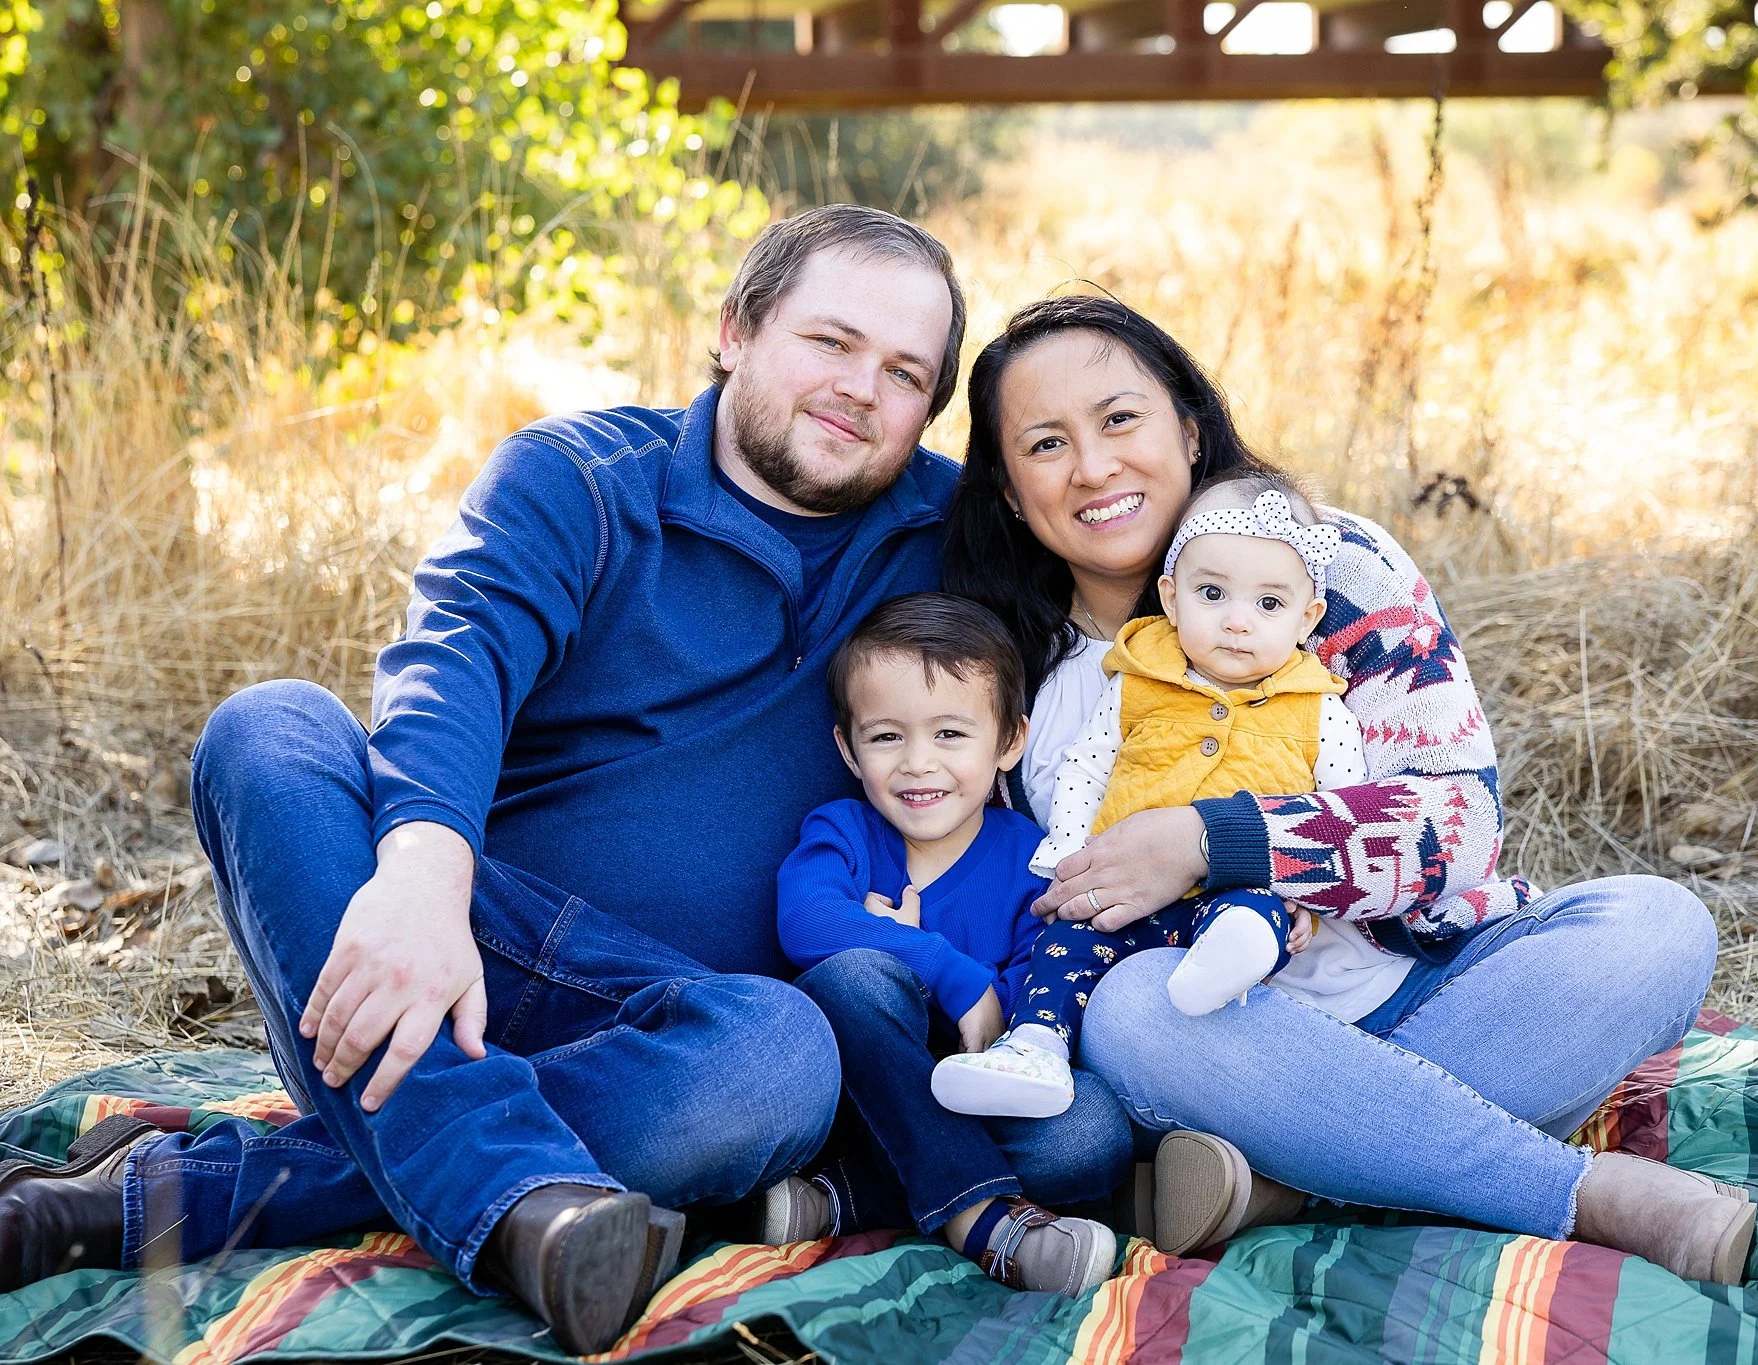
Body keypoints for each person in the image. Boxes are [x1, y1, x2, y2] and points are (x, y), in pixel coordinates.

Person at [0, 205, 1027, 1352]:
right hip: (450, 963)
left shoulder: (951, 540)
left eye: (903, 373)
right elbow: (455, 662)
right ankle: (521, 1198)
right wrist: (422, 881)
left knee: (788, 1059)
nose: (858, 390)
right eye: (830, 343)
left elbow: (1171, 572)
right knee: (270, 728)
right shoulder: (581, 480)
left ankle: (163, 1199)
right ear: (736, 329)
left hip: (693, 1034)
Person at [940, 294, 1756, 1285]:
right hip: (1212, 1038)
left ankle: (1297, 1175)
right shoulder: (1012, 668)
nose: (1094, 466)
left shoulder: (1336, 568)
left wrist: (1211, 841)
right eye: (1044, 443)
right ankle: (1574, 1193)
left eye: (1120, 419)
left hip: (1423, 984)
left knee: (1659, 925)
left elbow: (1458, 827)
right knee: (1128, 1009)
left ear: (1187, 430)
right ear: (1008, 489)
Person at [931, 472, 1361, 1119]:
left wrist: (1308, 900)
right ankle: (1036, 1047)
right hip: (1120, 892)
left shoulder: (1321, 710)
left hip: (1237, 889)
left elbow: (1342, 816)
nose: (1238, 622)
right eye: (1212, 593)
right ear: (1171, 595)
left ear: (1308, 618)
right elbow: (1087, 765)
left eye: (1269, 605)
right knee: (1063, 945)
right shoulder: (1138, 682)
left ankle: (1223, 965)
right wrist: (1069, 853)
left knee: (1253, 915)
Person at [767, 593, 1123, 1297]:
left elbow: (1040, 995)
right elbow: (806, 921)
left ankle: (844, 1197)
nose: (918, 763)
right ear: (848, 746)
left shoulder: (1033, 858)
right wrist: (944, 969)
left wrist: (978, 993)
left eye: (951, 735)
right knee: (853, 978)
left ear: (1009, 742)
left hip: (977, 1095)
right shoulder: (843, 830)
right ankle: (983, 1219)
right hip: (860, 1096)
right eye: (886, 736)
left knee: (1092, 1132)